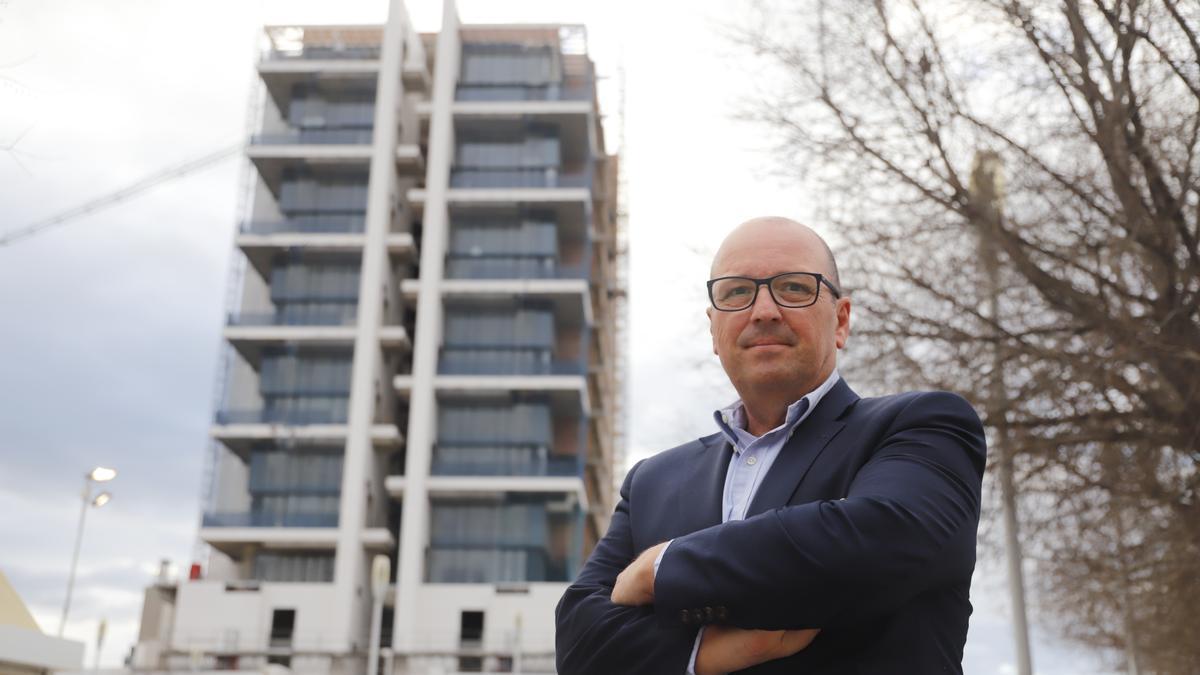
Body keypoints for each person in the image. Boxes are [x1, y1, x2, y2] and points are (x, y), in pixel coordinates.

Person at [555, 217, 987, 674]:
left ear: (840, 321)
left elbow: (883, 539)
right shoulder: (652, 482)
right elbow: (579, 643)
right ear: (713, 328)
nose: (763, 310)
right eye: (737, 292)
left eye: (794, 288)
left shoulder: (922, 426)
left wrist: (660, 567)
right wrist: (708, 655)